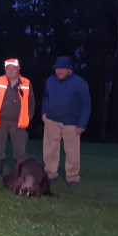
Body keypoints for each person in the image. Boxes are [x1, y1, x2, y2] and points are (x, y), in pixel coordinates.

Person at [42, 56, 91, 187]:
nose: (59, 71)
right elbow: (46, 98)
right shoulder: (50, 81)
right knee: (50, 150)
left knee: (72, 152)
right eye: (57, 69)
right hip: (51, 121)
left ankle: (72, 177)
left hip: (72, 123)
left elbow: (86, 105)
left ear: (69, 69)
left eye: (62, 69)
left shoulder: (80, 83)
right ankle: (50, 174)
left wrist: (82, 124)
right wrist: (44, 112)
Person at [0, 58, 35, 177]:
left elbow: (31, 103)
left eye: (14, 69)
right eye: (8, 69)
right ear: (5, 70)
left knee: (20, 150)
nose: (11, 71)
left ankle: (18, 174)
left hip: (18, 122)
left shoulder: (26, 83)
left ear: (18, 69)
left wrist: (27, 118)